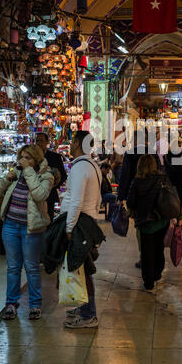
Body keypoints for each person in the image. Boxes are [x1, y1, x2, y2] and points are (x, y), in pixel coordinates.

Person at [0, 145, 54, 320]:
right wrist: (7, 178)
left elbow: (39, 195)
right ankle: (11, 304)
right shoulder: (16, 173)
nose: (24, 161)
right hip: (11, 226)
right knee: (13, 267)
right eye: (22, 157)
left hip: (31, 228)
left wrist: (28, 171)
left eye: (28, 158)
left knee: (31, 267)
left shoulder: (46, 176)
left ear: (36, 159)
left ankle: (35, 305)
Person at [61, 130, 102, 329]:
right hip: (88, 221)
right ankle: (80, 307)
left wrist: (69, 227)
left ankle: (88, 315)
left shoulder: (79, 168)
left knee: (83, 270)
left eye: (71, 141)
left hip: (80, 225)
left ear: (77, 143)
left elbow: (76, 201)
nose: (69, 144)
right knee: (79, 269)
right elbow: (98, 198)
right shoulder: (93, 166)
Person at [118, 129, 160, 268]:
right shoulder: (152, 153)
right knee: (154, 224)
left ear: (134, 139)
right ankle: (154, 254)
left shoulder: (130, 153)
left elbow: (124, 176)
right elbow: (160, 172)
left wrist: (121, 196)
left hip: (137, 196)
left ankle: (144, 256)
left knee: (140, 227)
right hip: (154, 195)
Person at [127, 155, 169, 291]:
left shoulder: (137, 181)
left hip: (145, 222)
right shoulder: (162, 179)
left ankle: (148, 282)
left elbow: (131, 202)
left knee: (146, 252)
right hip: (161, 220)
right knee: (158, 248)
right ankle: (157, 273)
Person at [35, 133, 67, 222]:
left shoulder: (55, 157)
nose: (38, 143)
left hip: (49, 195)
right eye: (37, 140)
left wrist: (54, 186)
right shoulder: (32, 157)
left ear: (47, 142)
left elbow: (63, 175)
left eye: (41, 140)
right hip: (34, 194)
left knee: (48, 219)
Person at [164, 139, 182, 228]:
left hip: (169, 182)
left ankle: (171, 221)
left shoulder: (167, 155)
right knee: (178, 202)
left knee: (170, 203)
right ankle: (179, 221)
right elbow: (181, 170)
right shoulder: (179, 156)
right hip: (177, 182)